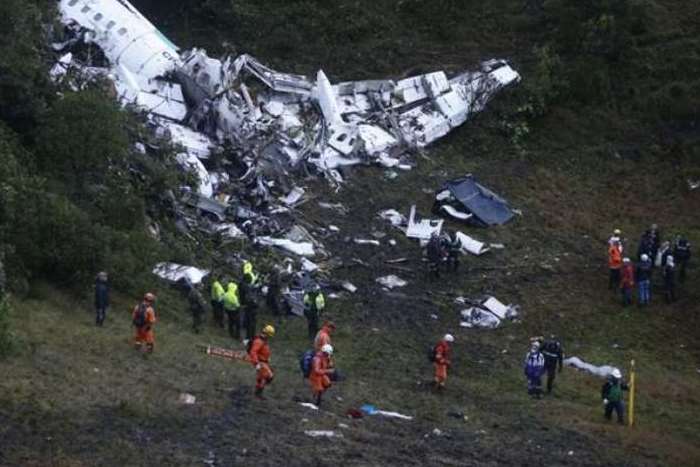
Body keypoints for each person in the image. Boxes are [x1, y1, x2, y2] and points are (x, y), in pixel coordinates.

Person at [249, 324, 275, 399]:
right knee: (269, 376)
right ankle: (258, 392)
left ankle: (258, 393)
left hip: (263, 361)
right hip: (260, 362)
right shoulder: (259, 341)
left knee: (261, 378)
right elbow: (253, 352)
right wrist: (256, 363)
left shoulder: (263, 341)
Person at [239, 273, 259, 343]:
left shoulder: (242, 285)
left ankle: (248, 338)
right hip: (250, 308)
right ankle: (249, 339)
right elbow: (250, 294)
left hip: (247, 307)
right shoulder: (247, 289)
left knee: (248, 324)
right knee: (250, 324)